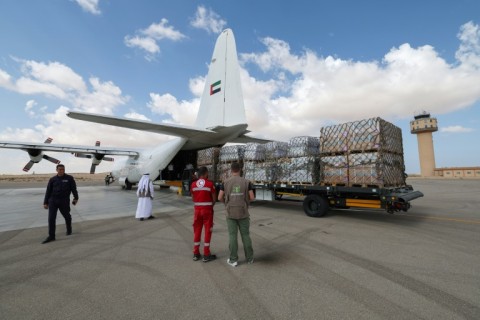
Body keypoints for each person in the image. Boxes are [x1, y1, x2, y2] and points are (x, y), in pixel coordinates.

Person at [218, 162, 255, 267]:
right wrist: (246, 203)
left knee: (232, 236)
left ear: (231, 170)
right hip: (243, 212)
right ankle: (250, 258)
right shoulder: (247, 182)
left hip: (230, 213)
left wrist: (226, 203)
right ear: (240, 170)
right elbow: (252, 197)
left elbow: (219, 197)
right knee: (246, 235)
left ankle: (233, 259)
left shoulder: (225, 182)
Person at [42, 164, 79, 244]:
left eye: (63, 169)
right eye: (60, 169)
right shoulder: (52, 179)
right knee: (51, 218)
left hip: (64, 201)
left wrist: (76, 198)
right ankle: (51, 236)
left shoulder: (69, 178)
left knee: (67, 216)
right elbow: (48, 191)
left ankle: (69, 229)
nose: (61, 171)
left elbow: (74, 189)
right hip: (53, 201)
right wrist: (45, 202)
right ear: (56, 170)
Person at [190, 166, 217, 262]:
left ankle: (196, 253)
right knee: (207, 231)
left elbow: (193, 198)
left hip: (197, 211)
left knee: (197, 231)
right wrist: (209, 205)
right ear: (205, 173)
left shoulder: (193, 184)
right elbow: (214, 199)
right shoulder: (210, 184)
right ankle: (206, 254)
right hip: (207, 211)